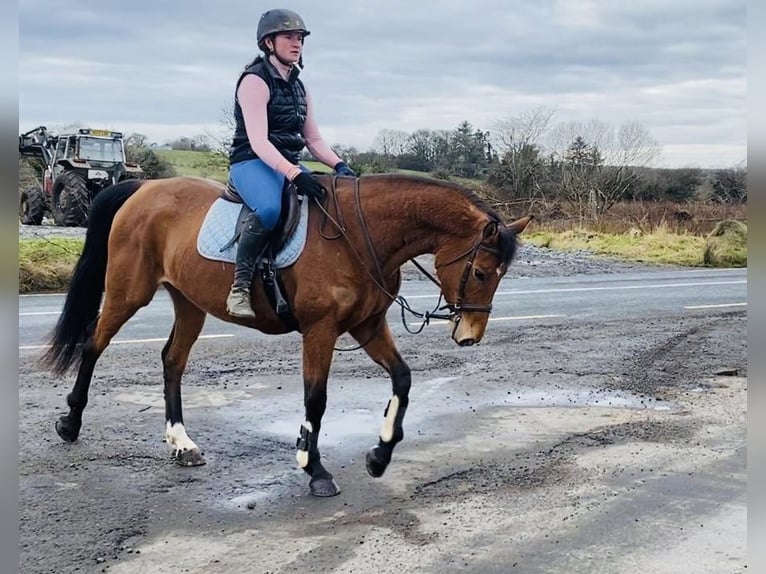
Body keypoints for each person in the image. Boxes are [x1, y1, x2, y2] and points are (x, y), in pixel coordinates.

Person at [226, 8, 356, 319]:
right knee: (270, 209)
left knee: (332, 200)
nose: (297, 43)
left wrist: (340, 166)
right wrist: (295, 174)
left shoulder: (300, 87)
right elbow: (259, 142)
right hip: (251, 162)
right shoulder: (254, 81)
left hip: (286, 163)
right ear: (269, 43)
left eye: (300, 38)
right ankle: (240, 288)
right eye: (289, 37)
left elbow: (313, 139)